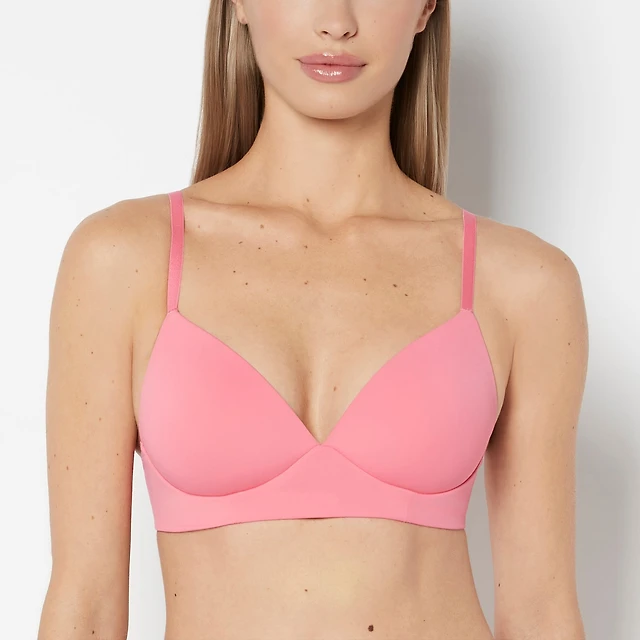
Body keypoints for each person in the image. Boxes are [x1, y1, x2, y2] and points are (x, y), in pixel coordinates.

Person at [38, 1, 589, 639]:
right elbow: (85, 606)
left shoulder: (523, 284)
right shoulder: (123, 260)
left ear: (424, 8)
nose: (336, 21)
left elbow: (542, 612)